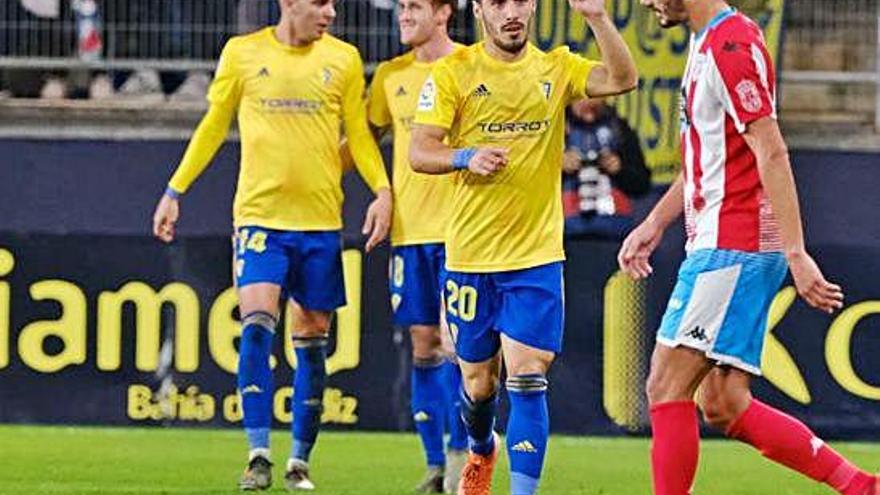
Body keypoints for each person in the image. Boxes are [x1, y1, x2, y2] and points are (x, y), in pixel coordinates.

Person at [620, 1, 879, 494]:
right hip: (724, 241)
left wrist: (797, 252)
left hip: (732, 246)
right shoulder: (709, 40)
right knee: (723, 402)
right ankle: (862, 486)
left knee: (664, 385)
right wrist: (656, 221)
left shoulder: (729, 45)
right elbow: (710, 157)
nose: (648, 2)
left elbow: (772, 148)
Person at [151, 0, 392, 491]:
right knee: (258, 321)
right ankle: (258, 453)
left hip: (321, 222)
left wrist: (383, 191)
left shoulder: (343, 60)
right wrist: (175, 191)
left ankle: (299, 460)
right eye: (321, 3)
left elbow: (360, 136)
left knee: (311, 340)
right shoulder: (242, 53)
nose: (330, 13)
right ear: (289, 3)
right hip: (261, 219)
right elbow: (214, 125)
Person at [409, 0, 638, 492]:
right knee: (478, 383)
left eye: (519, 1)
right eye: (497, 3)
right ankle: (481, 447)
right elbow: (419, 151)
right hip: (471, 256)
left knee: (529, 375)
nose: (510, 12)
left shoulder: (556, 66)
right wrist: (465, 156)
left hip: (535, 257)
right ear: (479, 10)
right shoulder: (454, 72)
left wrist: (597, 18)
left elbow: (623, 78)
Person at [366, 0, 468, 492]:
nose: (403, 15)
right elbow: (366, 136)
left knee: (458, 345)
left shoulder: (471, 66)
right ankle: (433, 466)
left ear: (444, 12)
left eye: (413, 6)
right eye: (401, 7)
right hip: (410, 234)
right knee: (424, 345)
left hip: (461, 233)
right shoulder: (390, 76)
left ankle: (460, 460)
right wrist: (381, 191)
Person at [562, 97, 651, 240]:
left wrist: (620, 169)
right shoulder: (554, 131)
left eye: (594, 99)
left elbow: (642, 184)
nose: (589, 107)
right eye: (583, 99)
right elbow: (532, 187)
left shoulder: (619, 129)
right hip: (566, 238)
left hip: (614, 236)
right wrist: (558, 167)